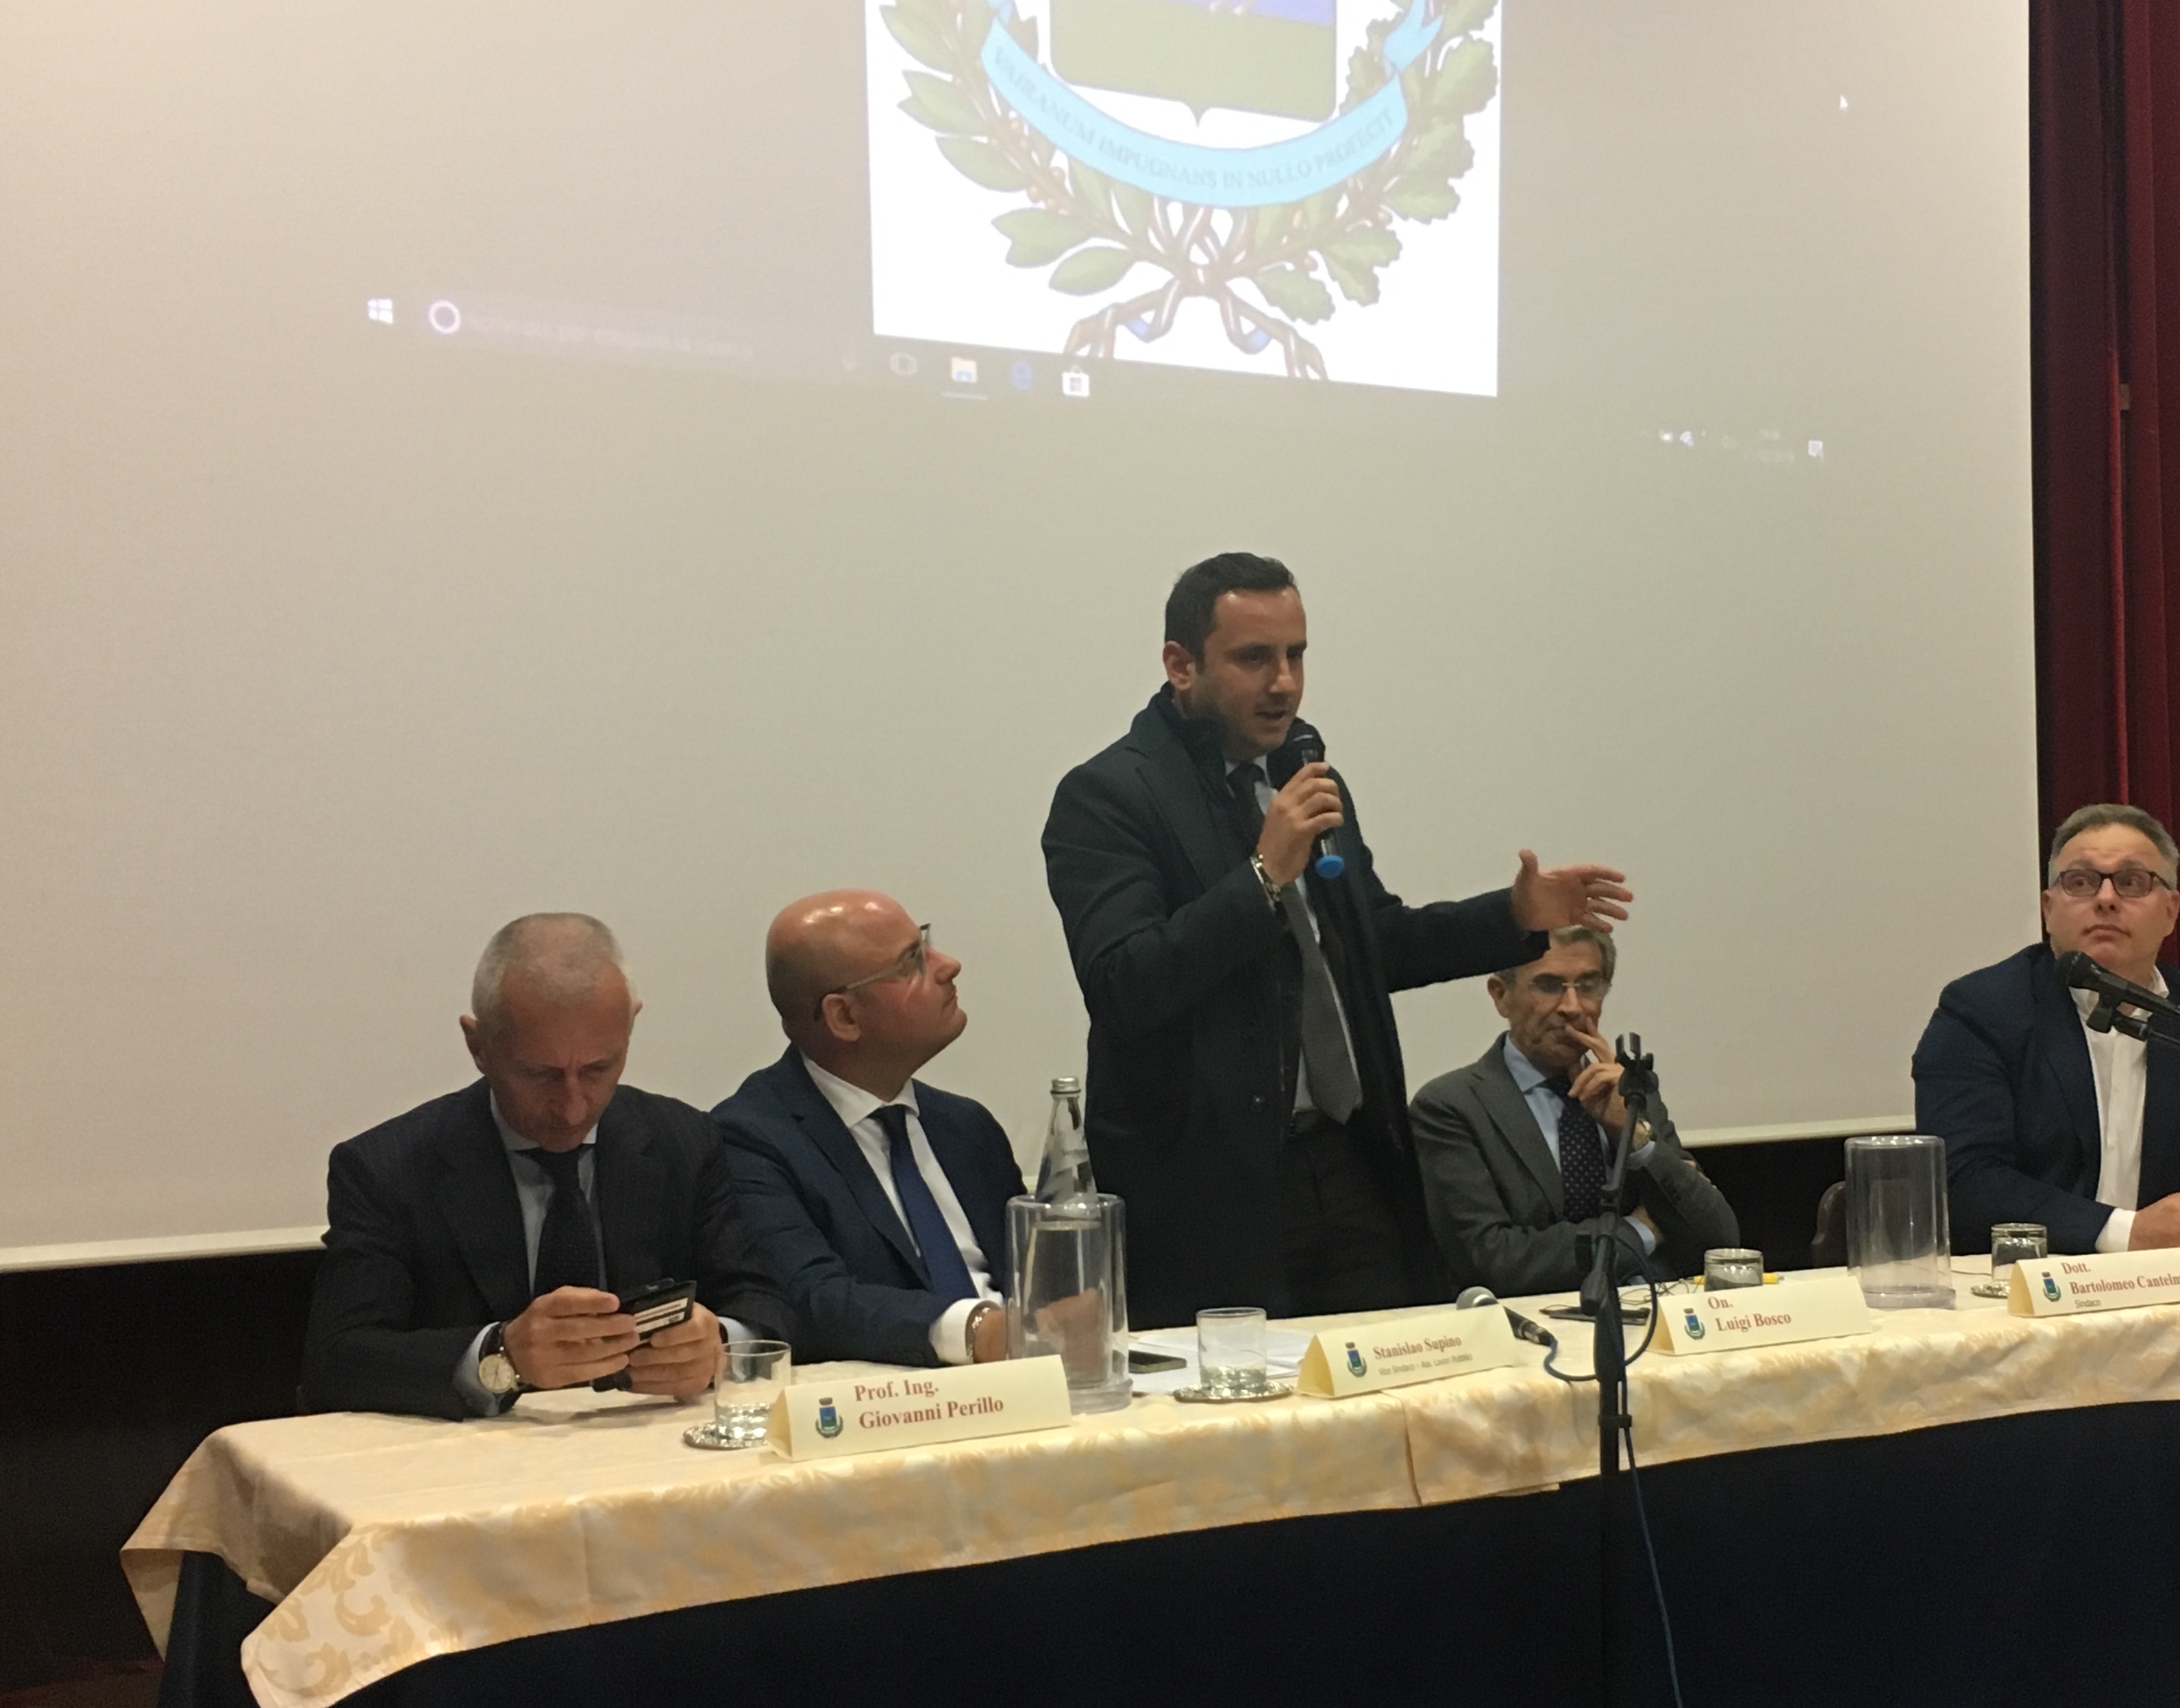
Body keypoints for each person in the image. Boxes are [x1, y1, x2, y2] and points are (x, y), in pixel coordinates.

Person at [1041, 551, 1633, 1327]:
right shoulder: (1108, 796)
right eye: (1254, 658)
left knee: (1384, 1378)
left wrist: (1513, 918)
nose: (1284, 682)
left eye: (1296, 655)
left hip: (1351, 1159)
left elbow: (1372, 945)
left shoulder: (1307, 779)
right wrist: (1263, 876)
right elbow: (1126, 984)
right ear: (1181, 665)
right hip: (1208, 1191)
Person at [301, 914, 791, 1420]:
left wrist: (719, 1344)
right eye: (540, 1074)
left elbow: (761, 1300)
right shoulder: (389, 1168)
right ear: (478, 1046)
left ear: (631, 1027)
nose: (573, 1108)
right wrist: (499, 1357)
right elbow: (338, 1360)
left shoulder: (682, 1141)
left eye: (598, 1069)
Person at [1912, 805, 2180, 1257]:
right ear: (2048, 909)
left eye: (2132, 882)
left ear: (2171, 911)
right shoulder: (1982, 1012)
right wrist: (2125, 1232)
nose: (2106, 899)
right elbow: (1964, 1180)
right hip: (2027, 1279)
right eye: (2081, 882)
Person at [713, 891, 1024, 1366]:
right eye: (912, 961)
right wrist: (977, 1330)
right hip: (890, 1396)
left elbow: (1034, 1278)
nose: (949, 966)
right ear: (844, 1016)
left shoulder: (967, 1127)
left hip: (1028, 1381)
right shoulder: (750, 1140)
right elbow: (813, 1301)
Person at [1410, 926, 1739, 1297]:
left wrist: (1633, 1135)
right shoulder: (1452, 1106)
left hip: (1654, 1309)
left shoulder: (1629, 1089)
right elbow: (1497, 1261)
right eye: (1549, 986)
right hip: (1530, 1322)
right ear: (1501, 996)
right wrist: (1642, 1230)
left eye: (1587, 986)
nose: (1572, 1007)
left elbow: (1718, 1238)